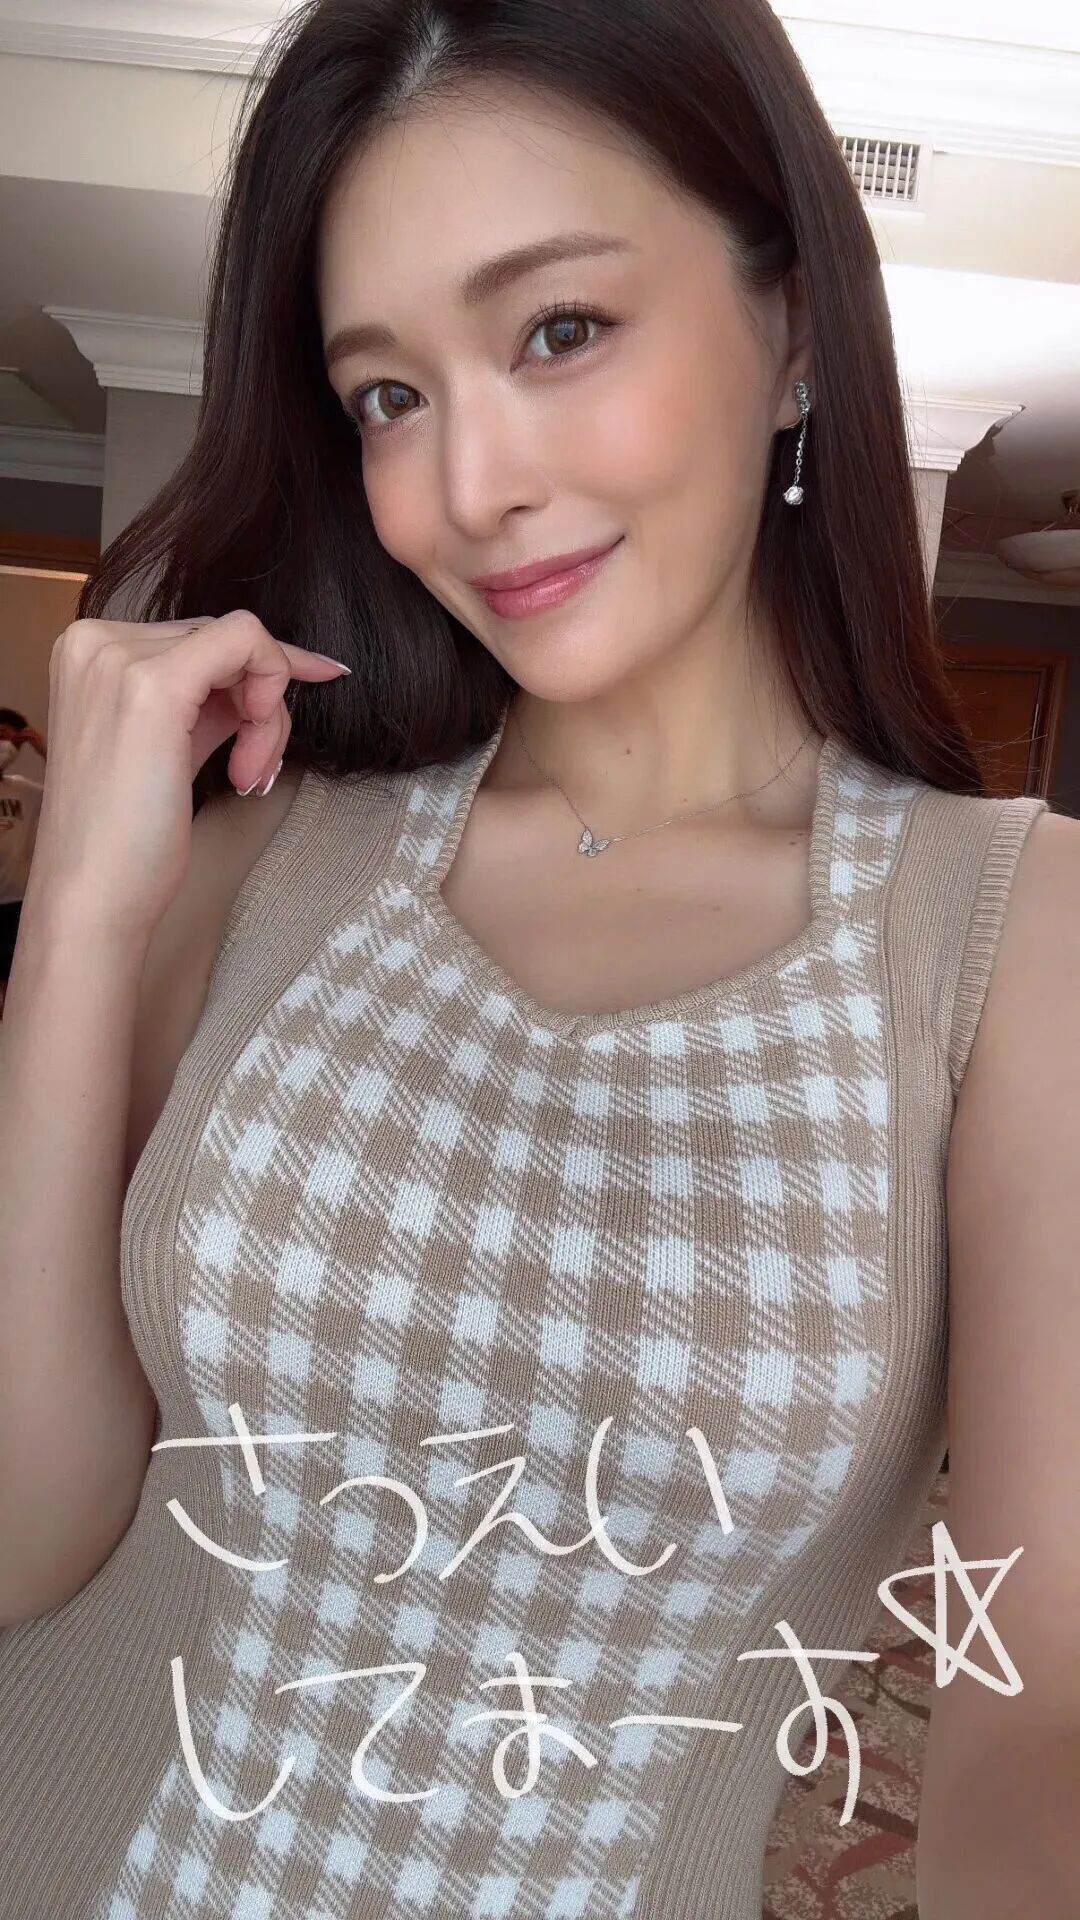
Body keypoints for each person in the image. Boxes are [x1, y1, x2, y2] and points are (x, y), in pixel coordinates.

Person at [0, 2, 1076, 1916]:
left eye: (560, 329)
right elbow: (24, 1533)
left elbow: (1036, 1708)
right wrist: (78, 916)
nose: (466, 485)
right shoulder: (255, 857)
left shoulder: (1010, 939)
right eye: (386, 396)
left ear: (796, 329)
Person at [0, 708, 46, 1018]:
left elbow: (71, 790)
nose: (5, 745)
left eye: (12, 740)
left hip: (17, 900)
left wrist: (41, 748)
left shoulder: (24, 791)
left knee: (15, 975)